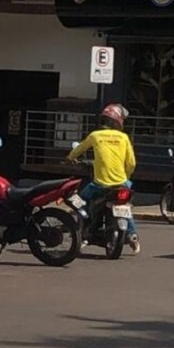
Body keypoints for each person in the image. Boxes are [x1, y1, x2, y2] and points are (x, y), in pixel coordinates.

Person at [66, 103, 140, 254]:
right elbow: (132, 163)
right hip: (122, 183)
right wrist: (126, 175)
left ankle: (83, 233)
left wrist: (69, 158)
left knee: (78, 201)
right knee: (125, 206)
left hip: (100, 184)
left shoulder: (95, 136)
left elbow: (78, 150)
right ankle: (132, 234)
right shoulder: (124, 138)